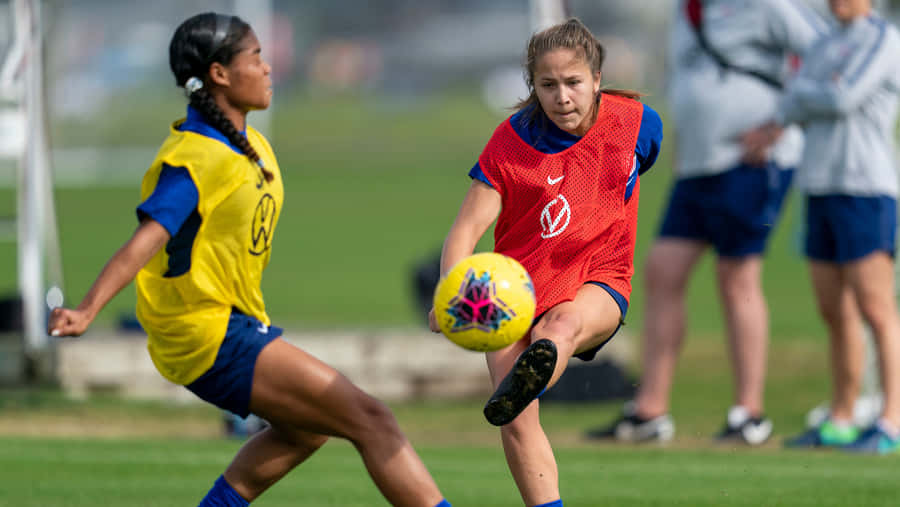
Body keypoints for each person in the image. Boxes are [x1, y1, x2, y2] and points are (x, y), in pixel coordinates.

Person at [47, 13, 452, 507]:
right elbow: (144, 241)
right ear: (219, 74)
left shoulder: (247, 145)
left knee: (307, 430)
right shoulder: (196, 157)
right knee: (371, 418)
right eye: (256, 57)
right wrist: (87, 310)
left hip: (228, 322)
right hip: (204, 329)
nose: (268, 68)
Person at [428, 18, 662, 506]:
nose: (563, 97)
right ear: (532, 86)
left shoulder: (638, 124)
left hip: (600, 277)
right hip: (516, 289)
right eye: (548, 85)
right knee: (513, 418)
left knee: (562, 325)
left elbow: (632, 167)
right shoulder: (510, 142)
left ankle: (538, 365)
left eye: (573, 83)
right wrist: (450, 291)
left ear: (596, 78)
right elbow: (466, 230)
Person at [586, 0, 826, 445]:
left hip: (751, 160)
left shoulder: (766, 6)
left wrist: (780, 125)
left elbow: (824, 52)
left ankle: (748, 415)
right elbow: (687, 82)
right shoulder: (686, 10)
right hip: (698, 165)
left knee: (736, 275)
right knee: (662, 270)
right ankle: (649, 412)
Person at [743, 0, 900, 454]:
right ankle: (842, 417)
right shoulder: (824, 43)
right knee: (834, 310)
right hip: (820, 185)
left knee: (876, 308)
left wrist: (812, 94)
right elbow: (794, 99)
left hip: (865, 188)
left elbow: (842, 98)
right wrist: (813, 93)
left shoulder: (884, 39)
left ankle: (890, 421)